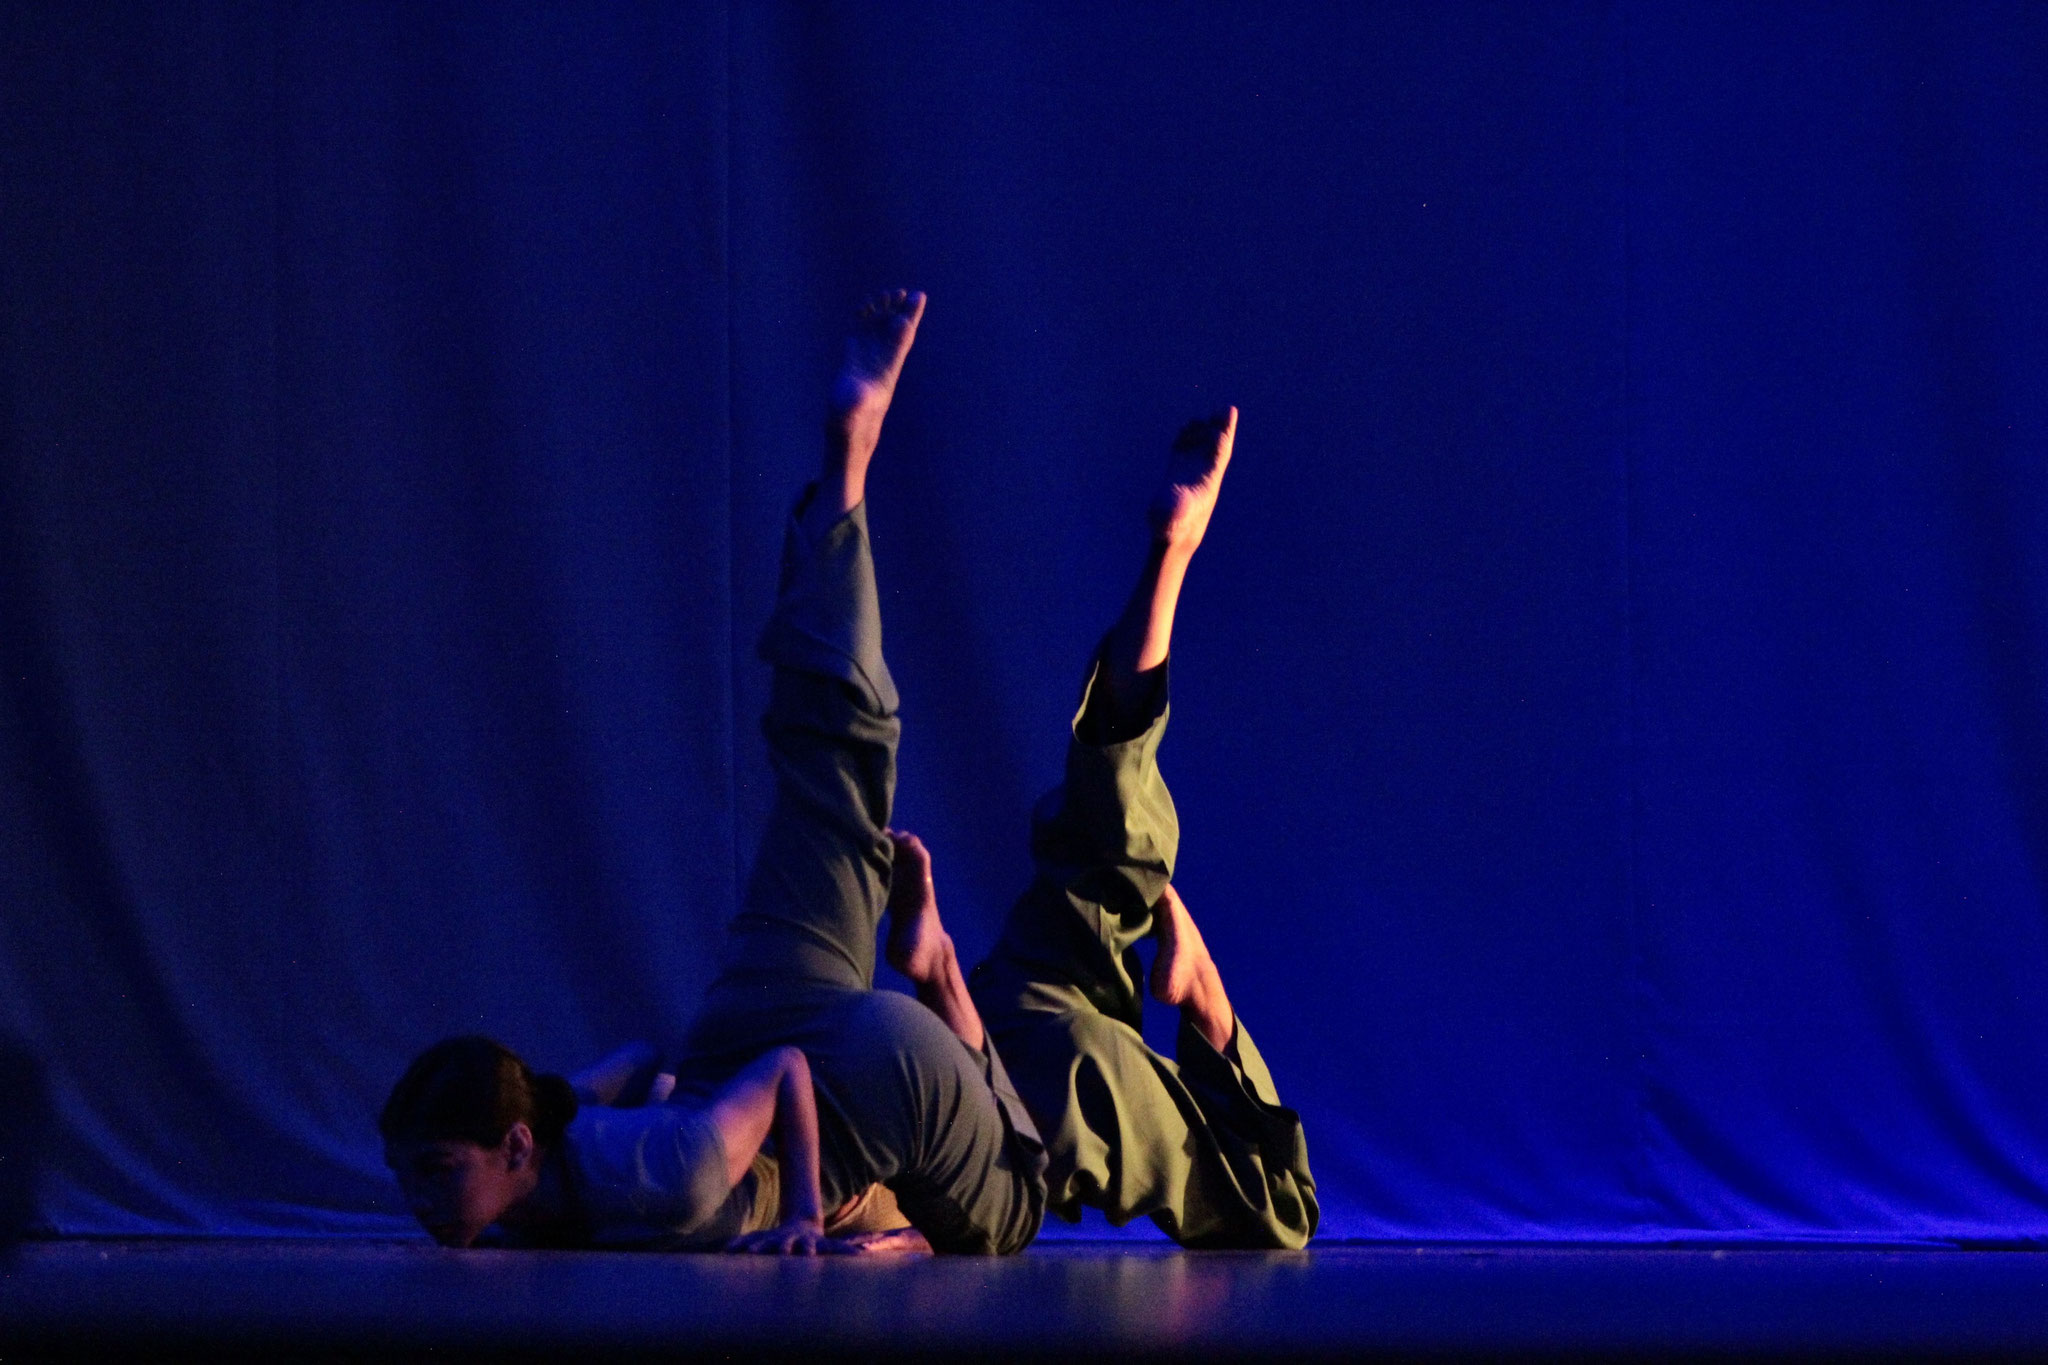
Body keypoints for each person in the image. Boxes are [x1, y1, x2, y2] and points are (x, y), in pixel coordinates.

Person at [381, 291, 1046, 1256]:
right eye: (410, 1177)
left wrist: (810, 1215)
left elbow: (783, 1071)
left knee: (1014, 1210)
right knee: (833, 768)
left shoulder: (653, 1178)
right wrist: (645, 1093)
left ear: (514, 1146)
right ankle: (843, 481)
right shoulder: (560, 1155)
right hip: (736, 1039)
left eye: (439, 1171)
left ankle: (938, 972)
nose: (421, 1203)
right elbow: (644, 1059)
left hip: (838, 1071)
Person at [955, 406, 1322, 1249]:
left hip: (1019, 1073)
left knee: (1275, 1208)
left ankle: (1171, 553)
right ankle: (1209, 999)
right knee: (1108, 832)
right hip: (1014, 1042)